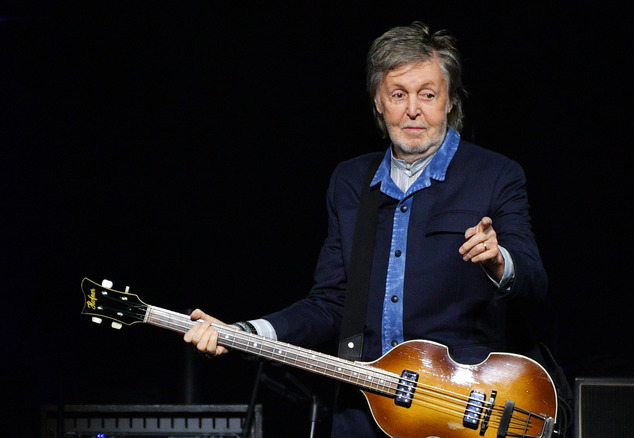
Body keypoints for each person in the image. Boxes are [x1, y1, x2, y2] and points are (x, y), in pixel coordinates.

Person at [184, 21, 547, 437]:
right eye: (398, 94)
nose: (413, 109)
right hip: (364, 412)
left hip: (460, 412)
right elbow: (329, 304)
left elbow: (535, 281)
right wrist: (247, 333)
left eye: (427, 94)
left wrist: (499, 262)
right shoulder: (350, 182)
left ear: (449, 100)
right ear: (379, 100)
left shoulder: (496, 175)